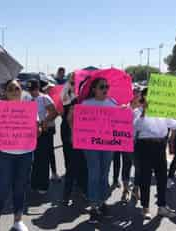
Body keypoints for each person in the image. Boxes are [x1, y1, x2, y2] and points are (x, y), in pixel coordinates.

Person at [0, 79, 37, 231]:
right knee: (1, 189)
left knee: (20, 188)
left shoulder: (28, 108)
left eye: (17, 88)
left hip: (25, 154)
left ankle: (18, 221)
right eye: (10, 89)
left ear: (21, 91)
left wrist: (37, 129)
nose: (14, 91)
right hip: (5, 155)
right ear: (5, 92)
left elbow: (36, 130)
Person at [68, 77, 116, 223]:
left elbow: (122, 122)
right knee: (94, 174)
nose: (105, 89)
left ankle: (102, 202)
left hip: (108, 144)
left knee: (104, 173)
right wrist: (72, 116)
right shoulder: (86, 104)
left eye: (107, 86)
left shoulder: (112, 103)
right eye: (102, 87)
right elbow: (72, 122)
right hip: (91, 146)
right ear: (94, 89)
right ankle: (94, 206)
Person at [134, 92, 176, 219]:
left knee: (162, 178)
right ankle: (145, 208)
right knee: (145, 178)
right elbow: (136, 126)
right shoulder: (138, 111)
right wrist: (144, 112)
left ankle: (161, 207)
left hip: (160, 146)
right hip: (144, 146)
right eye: (149, 95)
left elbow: (175, 124)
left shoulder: (163, 110)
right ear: (144, 97)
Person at [60, 74, 88, 205]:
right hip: (77, 141)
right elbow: (69, 120)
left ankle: (84, 191)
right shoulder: (75, 102)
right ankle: (66, 195)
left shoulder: (93, 103)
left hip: (90, 143)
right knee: (72, 168)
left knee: (85, 168)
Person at [27, 79, 58, 194]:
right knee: (34, 159)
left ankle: (43, 185)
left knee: (43, 159)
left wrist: (44, 121)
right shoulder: (29, 100)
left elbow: (54, 112)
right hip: (33, 132)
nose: (32, 92)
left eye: (34, 89)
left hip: (45, 131)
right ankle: (34, 183)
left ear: (38, 88)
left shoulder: (44, 98)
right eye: (30, 90)